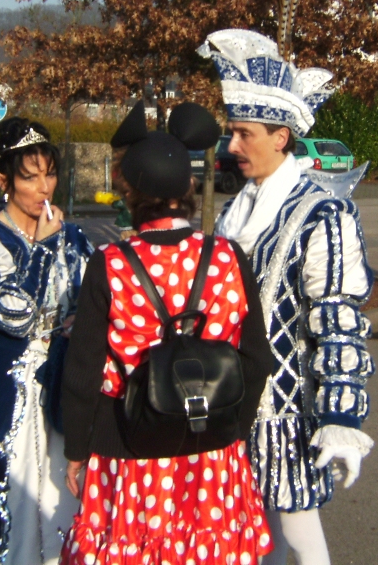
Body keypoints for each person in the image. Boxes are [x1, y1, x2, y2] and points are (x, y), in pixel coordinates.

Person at [60, 101, 275, 565]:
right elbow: (257, 358)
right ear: (188, 188)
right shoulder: (227, 257)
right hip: (212, 445)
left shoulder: (110, 265)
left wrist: (76, 449)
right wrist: (234, 431)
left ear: (129, 191)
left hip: (129, 444)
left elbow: (83, 372)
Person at [199, 29, 376, 565]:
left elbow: (338, 319)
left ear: (281, 137)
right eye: (232, 132)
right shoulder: (239, 210)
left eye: (243, 134)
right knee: (251, 536)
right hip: (231, 404)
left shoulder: (323, 213)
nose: (231, 146)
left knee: (298, 534)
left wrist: (341, 416)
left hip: (285, 413)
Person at [0, 117, 94, 565]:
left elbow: (93, 300)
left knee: (63, 506)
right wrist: (43, 250)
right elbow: (12, 316)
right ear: (3, 181)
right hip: (2, 393)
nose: (43, 188)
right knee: (4, 512)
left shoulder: (74, 236)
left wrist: (82, 319)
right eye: (30, 177)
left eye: (50, 174)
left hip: (62, 389)